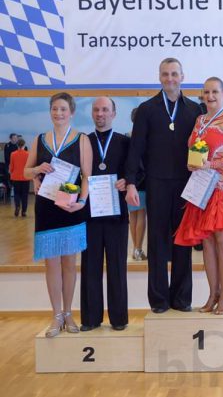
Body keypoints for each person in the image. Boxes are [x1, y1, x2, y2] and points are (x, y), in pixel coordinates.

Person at [125, 58, 202, 313]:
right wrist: (131, 183)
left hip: (186, 184)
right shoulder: (147, 109)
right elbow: (136, 148)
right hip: (156, 183)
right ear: (159, 77)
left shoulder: (195, 110)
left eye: (174, 74)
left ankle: (181, 298)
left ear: (182, 77)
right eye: (165, 74)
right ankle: (158, 300)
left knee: (183, 241)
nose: (170, 78)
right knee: (157, 241)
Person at [174, 77, 223, 315]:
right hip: (202, 187)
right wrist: (193, 163)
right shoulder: (200, 120)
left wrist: (214, 164)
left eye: (215, 92)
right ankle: (212, 294)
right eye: (206, 92)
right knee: (206, 241)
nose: (210, 96)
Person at [23, 92, 92, 337]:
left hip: (70, 207)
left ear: (71, 112)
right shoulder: (39, 139)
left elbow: (87, 176)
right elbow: (25, 171)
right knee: (51, 264)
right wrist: (36, 170)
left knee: (69, 264)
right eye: (55, 109)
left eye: (63, 109)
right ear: (50, 111)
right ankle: (56, 315)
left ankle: (69, 312)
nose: (58, 113)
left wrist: (82, 201)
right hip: (46, 208)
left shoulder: (81, 139)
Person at [80, 97, 130, 332]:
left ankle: (119, 318)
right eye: (96, 110)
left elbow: (137, 171)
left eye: (105, 110)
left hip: (116, 215)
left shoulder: (125, 142)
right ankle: (90, 318)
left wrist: (127, 180)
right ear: (92, 113)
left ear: (113, 113)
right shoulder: (83, 142)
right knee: (90, 266)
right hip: (89, 215)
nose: (100, 114)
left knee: (117, 266)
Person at [126, 107, 147, 261]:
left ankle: (135, 248)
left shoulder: (126, 136)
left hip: (131, 180)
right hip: (143, 180)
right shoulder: (145, 137)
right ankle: (138, 249)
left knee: (133, 215)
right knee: (141, 215)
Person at [9, 138, 29, 217]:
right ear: (24, 145)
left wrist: (11, 172)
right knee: (25, 195)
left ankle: (17, 206)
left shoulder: (13, 154)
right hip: (25, 177)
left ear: (17, 145)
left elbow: (11, 167)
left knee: (16, 193)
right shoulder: (28, 154)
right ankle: (24, 211)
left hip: (15, 177)